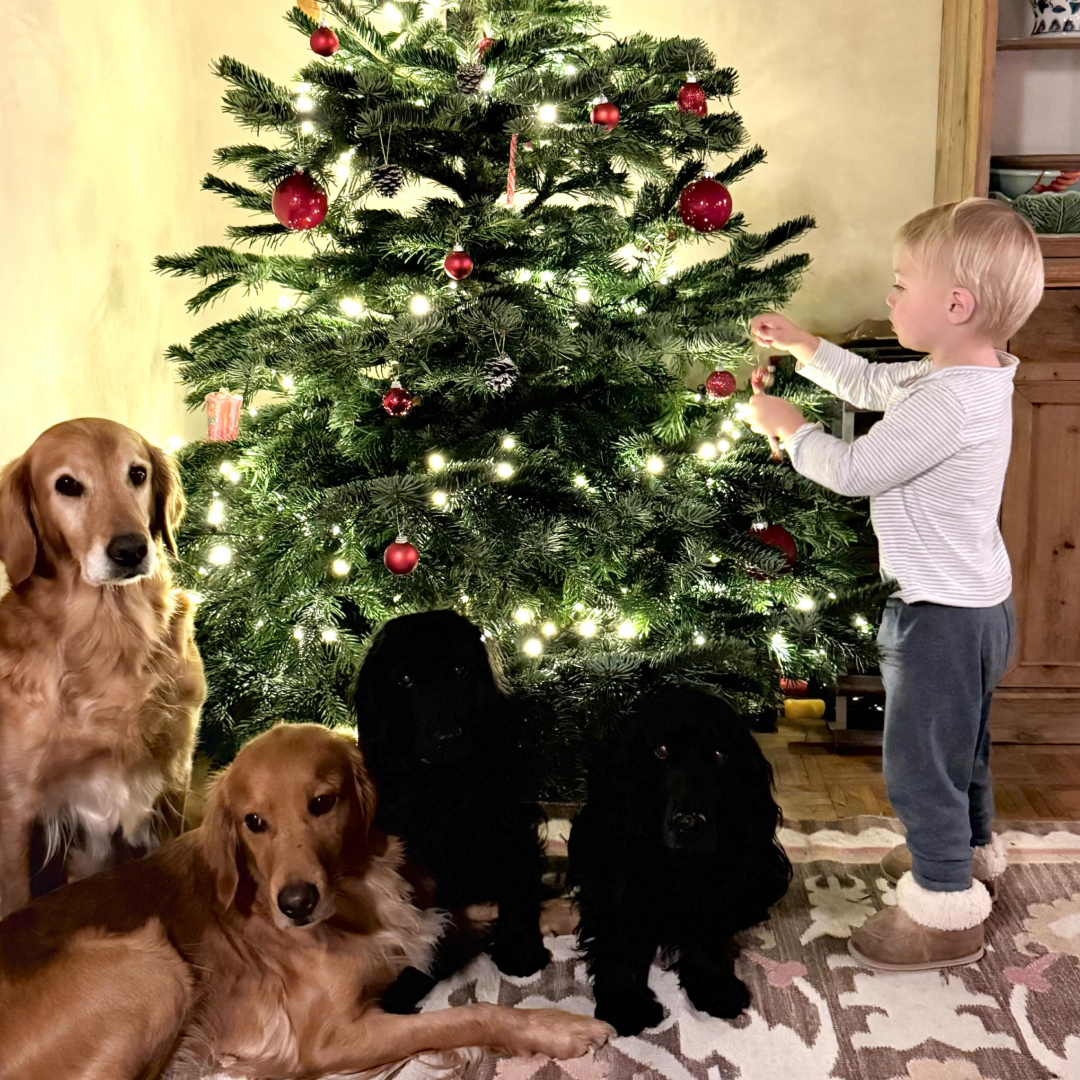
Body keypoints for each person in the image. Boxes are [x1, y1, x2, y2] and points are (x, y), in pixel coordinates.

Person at [745, 198, 1044, 971]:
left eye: (901, 283)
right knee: (961, 753)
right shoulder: (966, 374)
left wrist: (788, 427)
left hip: (939, 616)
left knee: (919, 763)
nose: (890, 296)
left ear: (956, 305)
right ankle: (966, 861)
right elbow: (877, 386)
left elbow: (852, 470)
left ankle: (943, 911)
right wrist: (809, 349)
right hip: (980, 605)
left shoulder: (948, 402)